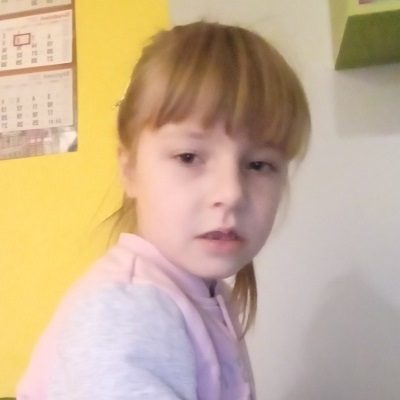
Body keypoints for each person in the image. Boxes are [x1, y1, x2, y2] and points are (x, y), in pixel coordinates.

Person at [17, 21, 310, 400]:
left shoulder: (205, 294)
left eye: (258, 164)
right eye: (189, 157)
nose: (231, 193)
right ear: (130, 170)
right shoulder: (127, 310)